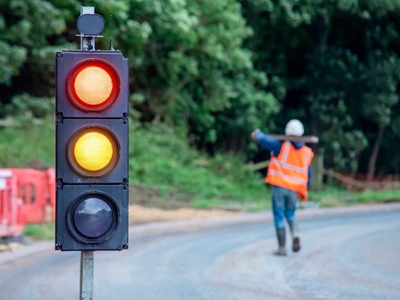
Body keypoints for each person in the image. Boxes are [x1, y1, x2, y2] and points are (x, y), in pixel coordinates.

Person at [251, 119, 314, 256]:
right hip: (294, 189)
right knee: (290, 214)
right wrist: (305, 190)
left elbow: (264, 140)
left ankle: (282, 248)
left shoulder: (281, 146)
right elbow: (309, 174)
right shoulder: (306, 153)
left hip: (279, 186)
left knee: (279, 216)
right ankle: (295, 234)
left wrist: (257, 133)